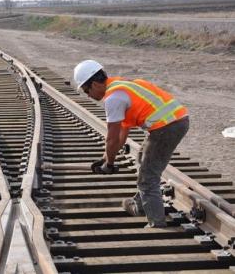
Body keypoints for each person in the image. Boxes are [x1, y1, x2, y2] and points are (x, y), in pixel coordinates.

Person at [73, 60, 189, 228]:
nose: (88, 96)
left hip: (166, 128)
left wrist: (110, 164)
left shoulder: (113, 99)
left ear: (95, 83)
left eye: (86, 90)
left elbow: (111, 139)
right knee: (143, 158)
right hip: (177, 121)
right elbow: (121, 136)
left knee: (148, 178)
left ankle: (157, 224)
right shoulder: (123, 86)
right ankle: (140, 205)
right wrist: (105, 159)